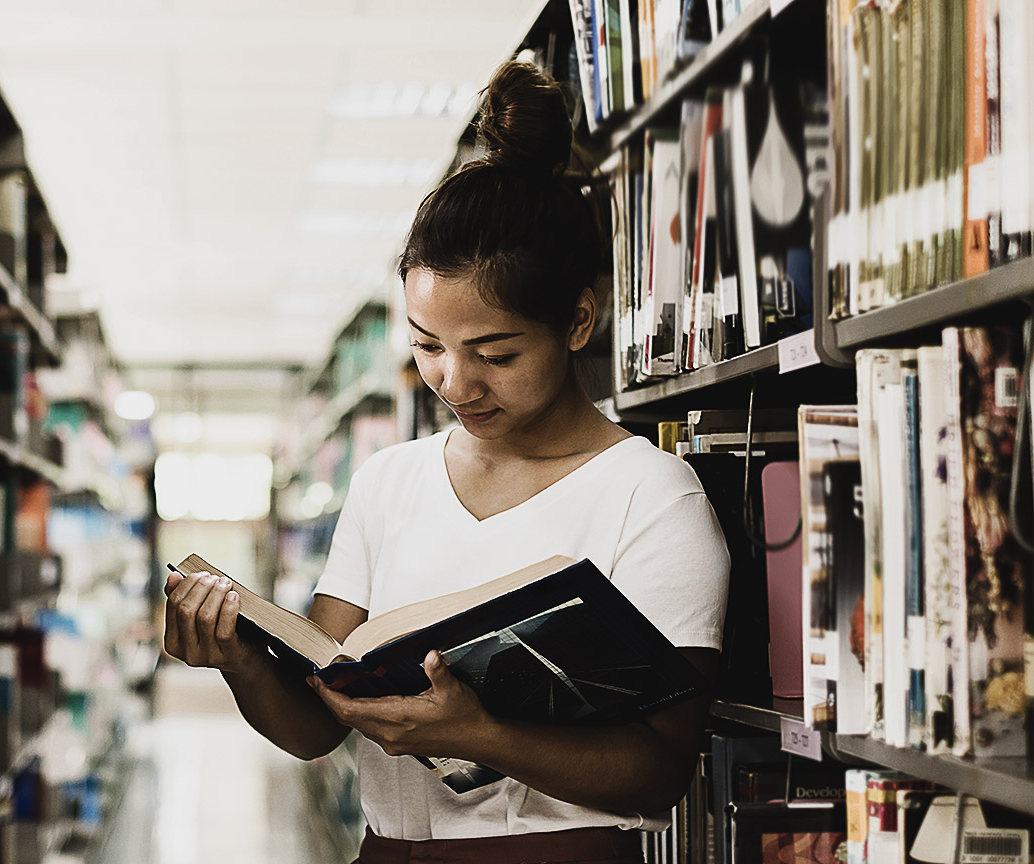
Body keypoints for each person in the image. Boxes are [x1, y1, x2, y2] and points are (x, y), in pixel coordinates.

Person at [163, 59, 730, 864]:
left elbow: (657, 772)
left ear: (576, 321)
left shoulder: (651, 495)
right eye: (427, 347)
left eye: (493, 353)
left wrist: (479, 733)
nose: (454, 383)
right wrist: (239, 659)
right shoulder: (389, 481)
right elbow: (318, 725)